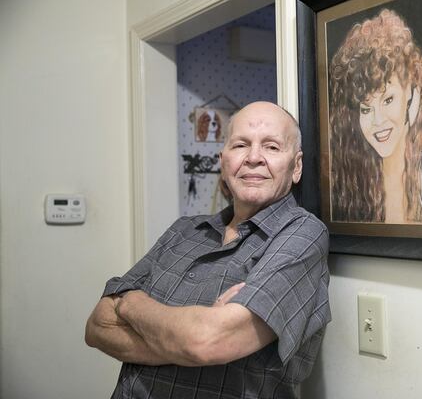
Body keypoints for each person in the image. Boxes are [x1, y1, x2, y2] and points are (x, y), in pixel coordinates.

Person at [85, 101, 331, 399]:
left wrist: (128, 303)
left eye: (272, 147)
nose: (254, 158)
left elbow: (208, 341)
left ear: (297, 166)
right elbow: (97, 327)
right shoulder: (184, 229)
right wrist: (185, 339)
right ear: (223, 161)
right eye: (241, 145)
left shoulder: (301, 234)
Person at [328, 8, 422, 225]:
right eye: (366, 109)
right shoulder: (352, 169)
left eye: (388, 100)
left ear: (412, 92)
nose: (378, 121)